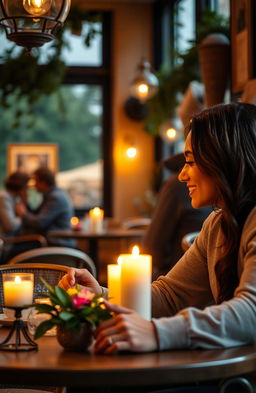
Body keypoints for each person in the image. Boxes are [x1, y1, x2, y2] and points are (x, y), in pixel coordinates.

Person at [59, 103, 256, 365]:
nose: (183, 175)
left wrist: (157, 333)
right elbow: (171, 296)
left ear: (225, 159)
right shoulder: (218, 223)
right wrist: (100, 296)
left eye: (190, 161)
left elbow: (251, 312)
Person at [143, 152, 211, 278]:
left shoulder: (175, 186)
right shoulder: (215, 221)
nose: (182, 176)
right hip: (178, 283)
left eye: (190, 162)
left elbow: (152, 246)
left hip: (177, 277)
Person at [16, 167, 75, 248]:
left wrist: (23, 214)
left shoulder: (55, 197)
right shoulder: (51, 195)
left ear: (43, 182)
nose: (34, 185)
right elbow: (36, 215)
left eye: (36, 181)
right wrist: (26, 203)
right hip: (50, 241)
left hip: (57, 244)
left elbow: (39, 223)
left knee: (13, 251)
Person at [0, 171, 29, 236]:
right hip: (7, 242)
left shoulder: (14, 197)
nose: (28, 188)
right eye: (26, 186)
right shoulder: (4, 198)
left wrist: (24, 202)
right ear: (20, 186)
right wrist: (22, 216)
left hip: (14, 237)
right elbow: (10, 226)